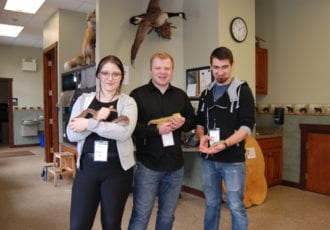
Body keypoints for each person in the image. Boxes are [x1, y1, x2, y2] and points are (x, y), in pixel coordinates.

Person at [66, 55, 137, 230]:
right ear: (98, 74)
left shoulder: (128, 102)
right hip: (87, 167)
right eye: (105, 73)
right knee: (78, 224)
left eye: (115, 74)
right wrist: (101, 120)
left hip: (117, 170)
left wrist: (90, 123)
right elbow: (72, 134)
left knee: (111, 224)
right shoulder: (83, 100)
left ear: (122, 76)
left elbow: (124, 132)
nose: (110, 78)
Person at [128, 52, 196, 230]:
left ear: (172, 71)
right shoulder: (137, 95)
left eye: (167, 68)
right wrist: (157, 130)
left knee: (167, 215)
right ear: (150, 70)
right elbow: (132, 128)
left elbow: (191, 121)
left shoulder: (180, 96)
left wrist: (183, 123)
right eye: (158, 68)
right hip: (148, 166)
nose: (162, 72)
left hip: (175, 165)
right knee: (141, 214)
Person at [195, 47, 255, 230]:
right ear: (210, 66)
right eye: (216, 67)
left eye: (224, 67)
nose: (220, 72)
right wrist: (202, 137)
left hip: (233, 161)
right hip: (208, 160)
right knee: (211, 204)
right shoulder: (206, 93)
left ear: (232, 65)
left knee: (236, 206)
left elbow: (246, 127)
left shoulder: (243, 91)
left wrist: (225, 143)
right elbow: (199, 124)